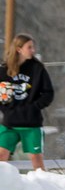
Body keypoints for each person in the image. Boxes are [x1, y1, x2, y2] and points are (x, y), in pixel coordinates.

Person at [0, 34, 54, 171]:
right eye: (29, 47)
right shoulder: (4, 70)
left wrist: (33, 108)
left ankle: (43, 189)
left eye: (33, 47)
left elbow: (48, 93)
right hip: (10, 124)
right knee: (1, 155)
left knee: (37, 161)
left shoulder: (38, 69)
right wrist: (6, 110)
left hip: (31, 123)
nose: (33, 50)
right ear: (19, 49)